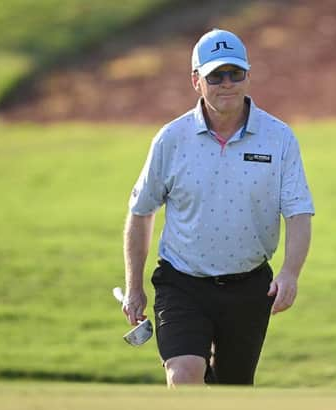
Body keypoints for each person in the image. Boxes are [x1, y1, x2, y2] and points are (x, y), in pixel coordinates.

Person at [122, 28, 314, 387]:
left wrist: (290, 272)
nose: (227, 83)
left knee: (232, 390)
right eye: (215, 76)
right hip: (182, 283)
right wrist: (135, 286)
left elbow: (299, 211)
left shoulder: (279, 137)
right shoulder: (171, 139)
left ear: (247, 76)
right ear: (197, 81)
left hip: (249, 287)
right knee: (184, 374)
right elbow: (141, 211)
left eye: (235, 74)